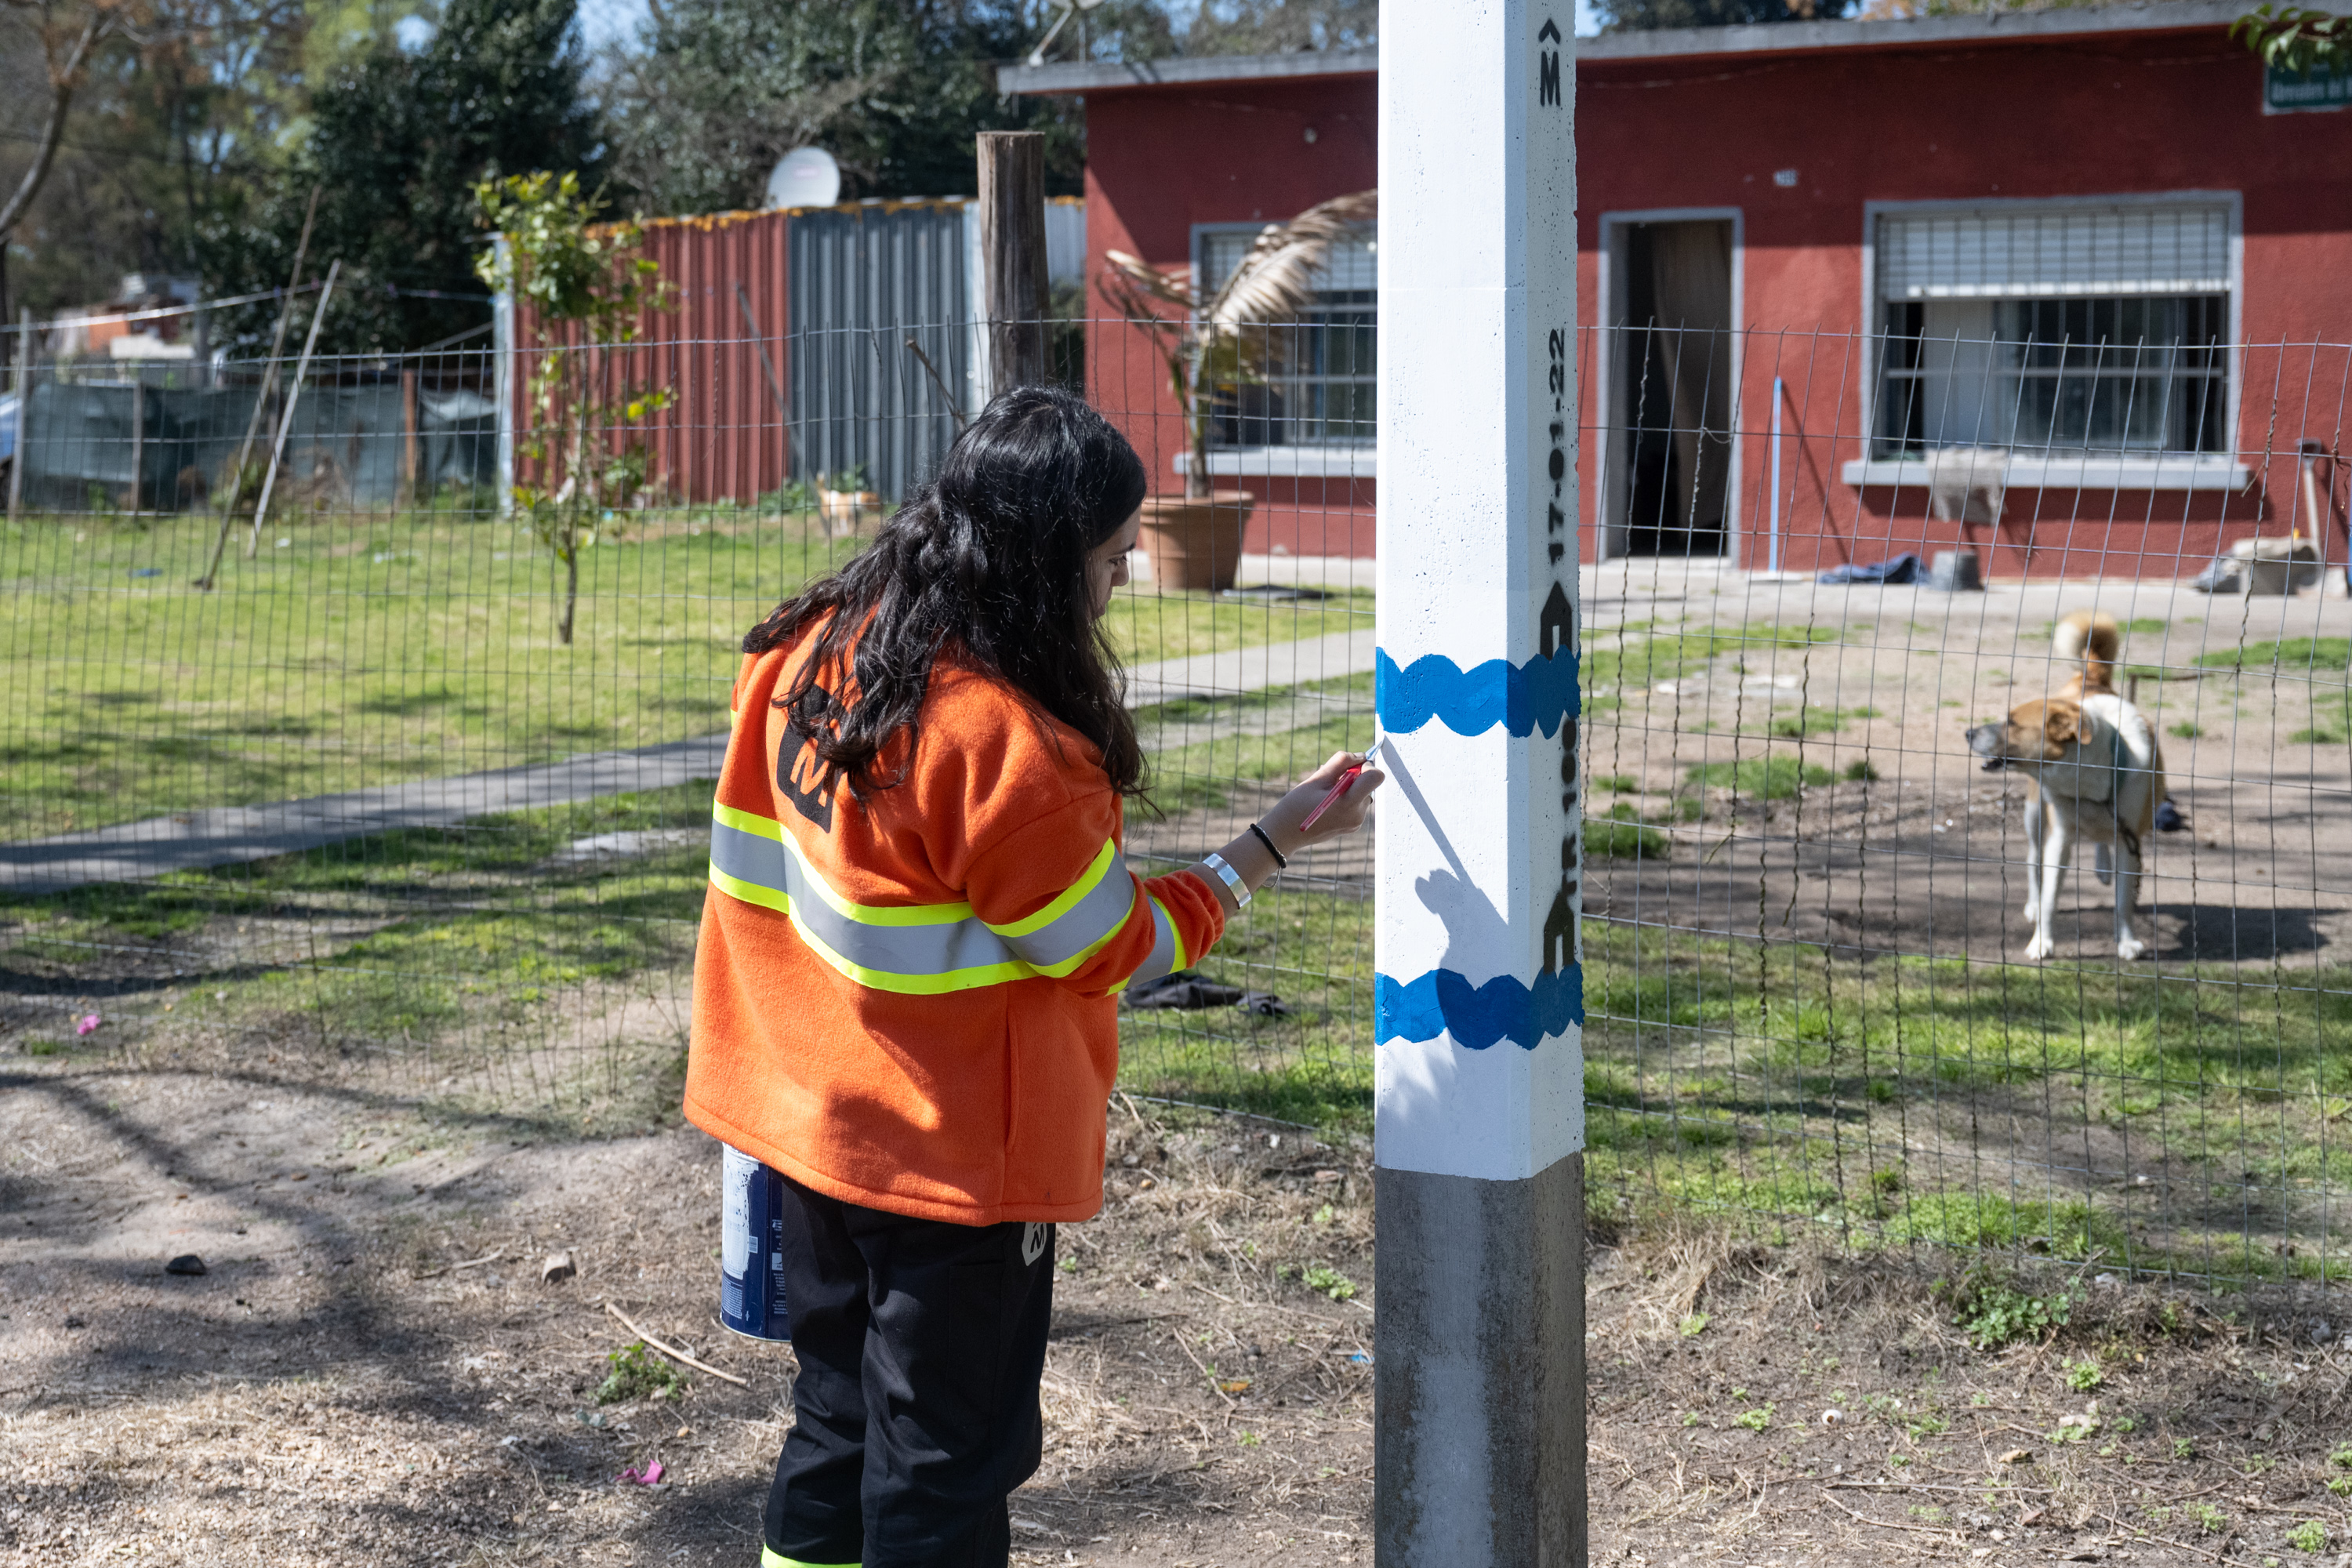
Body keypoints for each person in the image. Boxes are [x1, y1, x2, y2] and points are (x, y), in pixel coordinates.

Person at [685, 385, 1382, 1568]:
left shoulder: (809, 649)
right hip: (951, 1163)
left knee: (836, 1421)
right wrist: (1266, 845)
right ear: (1045, 562)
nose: (1120, 585)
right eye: (1112, 559)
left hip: (805, 1119)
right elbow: (1117, 948)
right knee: (946, 1467)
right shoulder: (1002, 745)